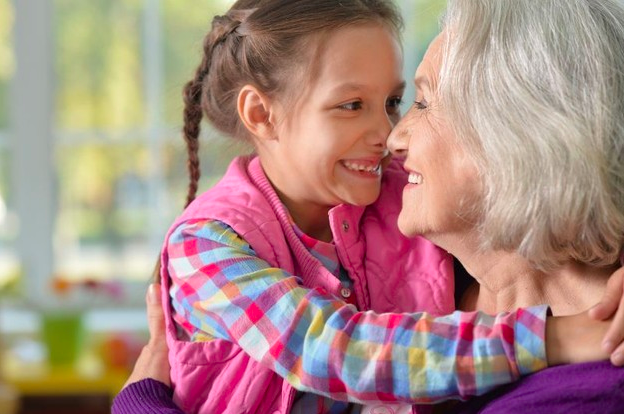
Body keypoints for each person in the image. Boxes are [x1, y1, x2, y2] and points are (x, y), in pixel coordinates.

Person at [113, 1, 624, 413]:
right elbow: (326, 348)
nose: (387, 134)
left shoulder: (399, 193)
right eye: (352, 105)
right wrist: (548, 337)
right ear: (261, 114)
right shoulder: (208, 243)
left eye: (397, 102)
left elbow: (552, 190)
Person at [384, 0, 624, 412]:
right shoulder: (412, 277)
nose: (394, 139)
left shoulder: (592, 394)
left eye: (422, 103)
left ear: (518, 128)